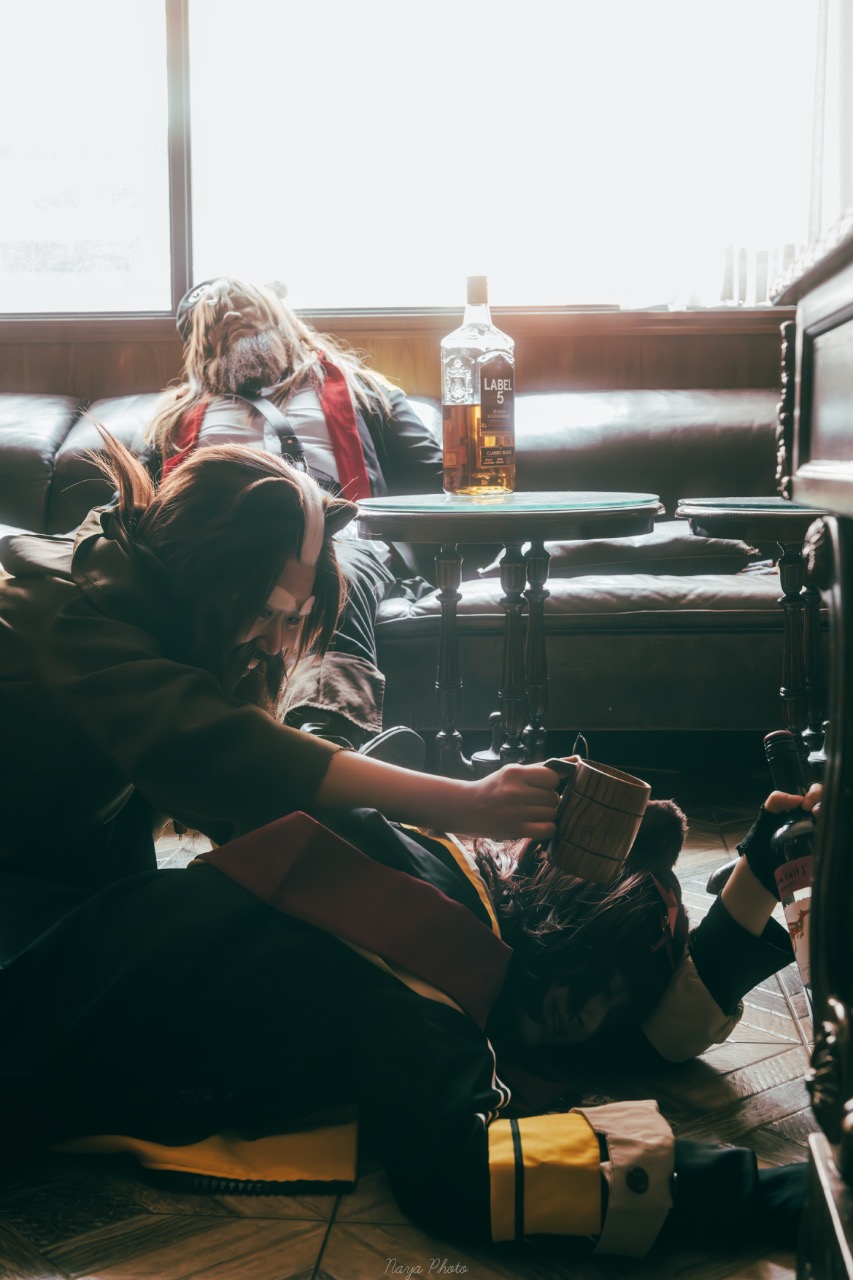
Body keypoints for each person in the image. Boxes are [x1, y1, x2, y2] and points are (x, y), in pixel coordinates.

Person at [0, 437, 808, 1261]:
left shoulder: (443, 916)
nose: (277, 644)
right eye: (272, 613)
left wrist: (758, 869)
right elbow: (468, 1173)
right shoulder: (429, 946)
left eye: (293, 621)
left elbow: (648, 1035)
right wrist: (791, 1195)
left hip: (59, 933)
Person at [146, 275, 446, 765]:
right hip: (224, 546)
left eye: (246, 305)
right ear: (200, 347)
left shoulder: (363, 389)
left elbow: (439, 480)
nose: (233, 316)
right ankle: (210, 750)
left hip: (339, 537)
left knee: (336, 571)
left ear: (281, 316)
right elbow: (140, 504)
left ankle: (325, 740)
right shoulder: (174, 420)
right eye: (217, 318)